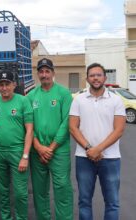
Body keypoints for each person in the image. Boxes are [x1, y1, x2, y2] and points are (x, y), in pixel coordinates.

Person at [69, 63, 126, 220]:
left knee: (112, 203)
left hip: (111, 158)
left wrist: (98, 149)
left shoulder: (116, 100)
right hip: (83, 158)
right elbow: (73, 127)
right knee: (84, 202)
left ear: (105, 78)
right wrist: (89, 148)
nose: (95, 78)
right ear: (87, 78)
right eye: (92, 75)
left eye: (98, 75)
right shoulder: (79, 100)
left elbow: (119, 129)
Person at [26, 58, 73, 220]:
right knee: (40, 191)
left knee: (62, 188)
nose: (44, 74)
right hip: (36, 151)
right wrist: (38, 147)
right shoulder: (31, 96)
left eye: (47, 71)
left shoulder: (64, 93)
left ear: (53, 73)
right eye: (41, 71)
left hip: (59, 150)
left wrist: (51, 148)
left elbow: (67, 122)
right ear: (37, 74)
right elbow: (28, 126)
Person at [0, 71, 33, 220]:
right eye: (1, 84)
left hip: (17, 151)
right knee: (2, 190)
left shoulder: (23, 101)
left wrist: (25, 156)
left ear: (14, 85)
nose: (4, 88)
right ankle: (6, 217)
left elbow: (30, 130)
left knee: (20, 192)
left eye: (7, 84)